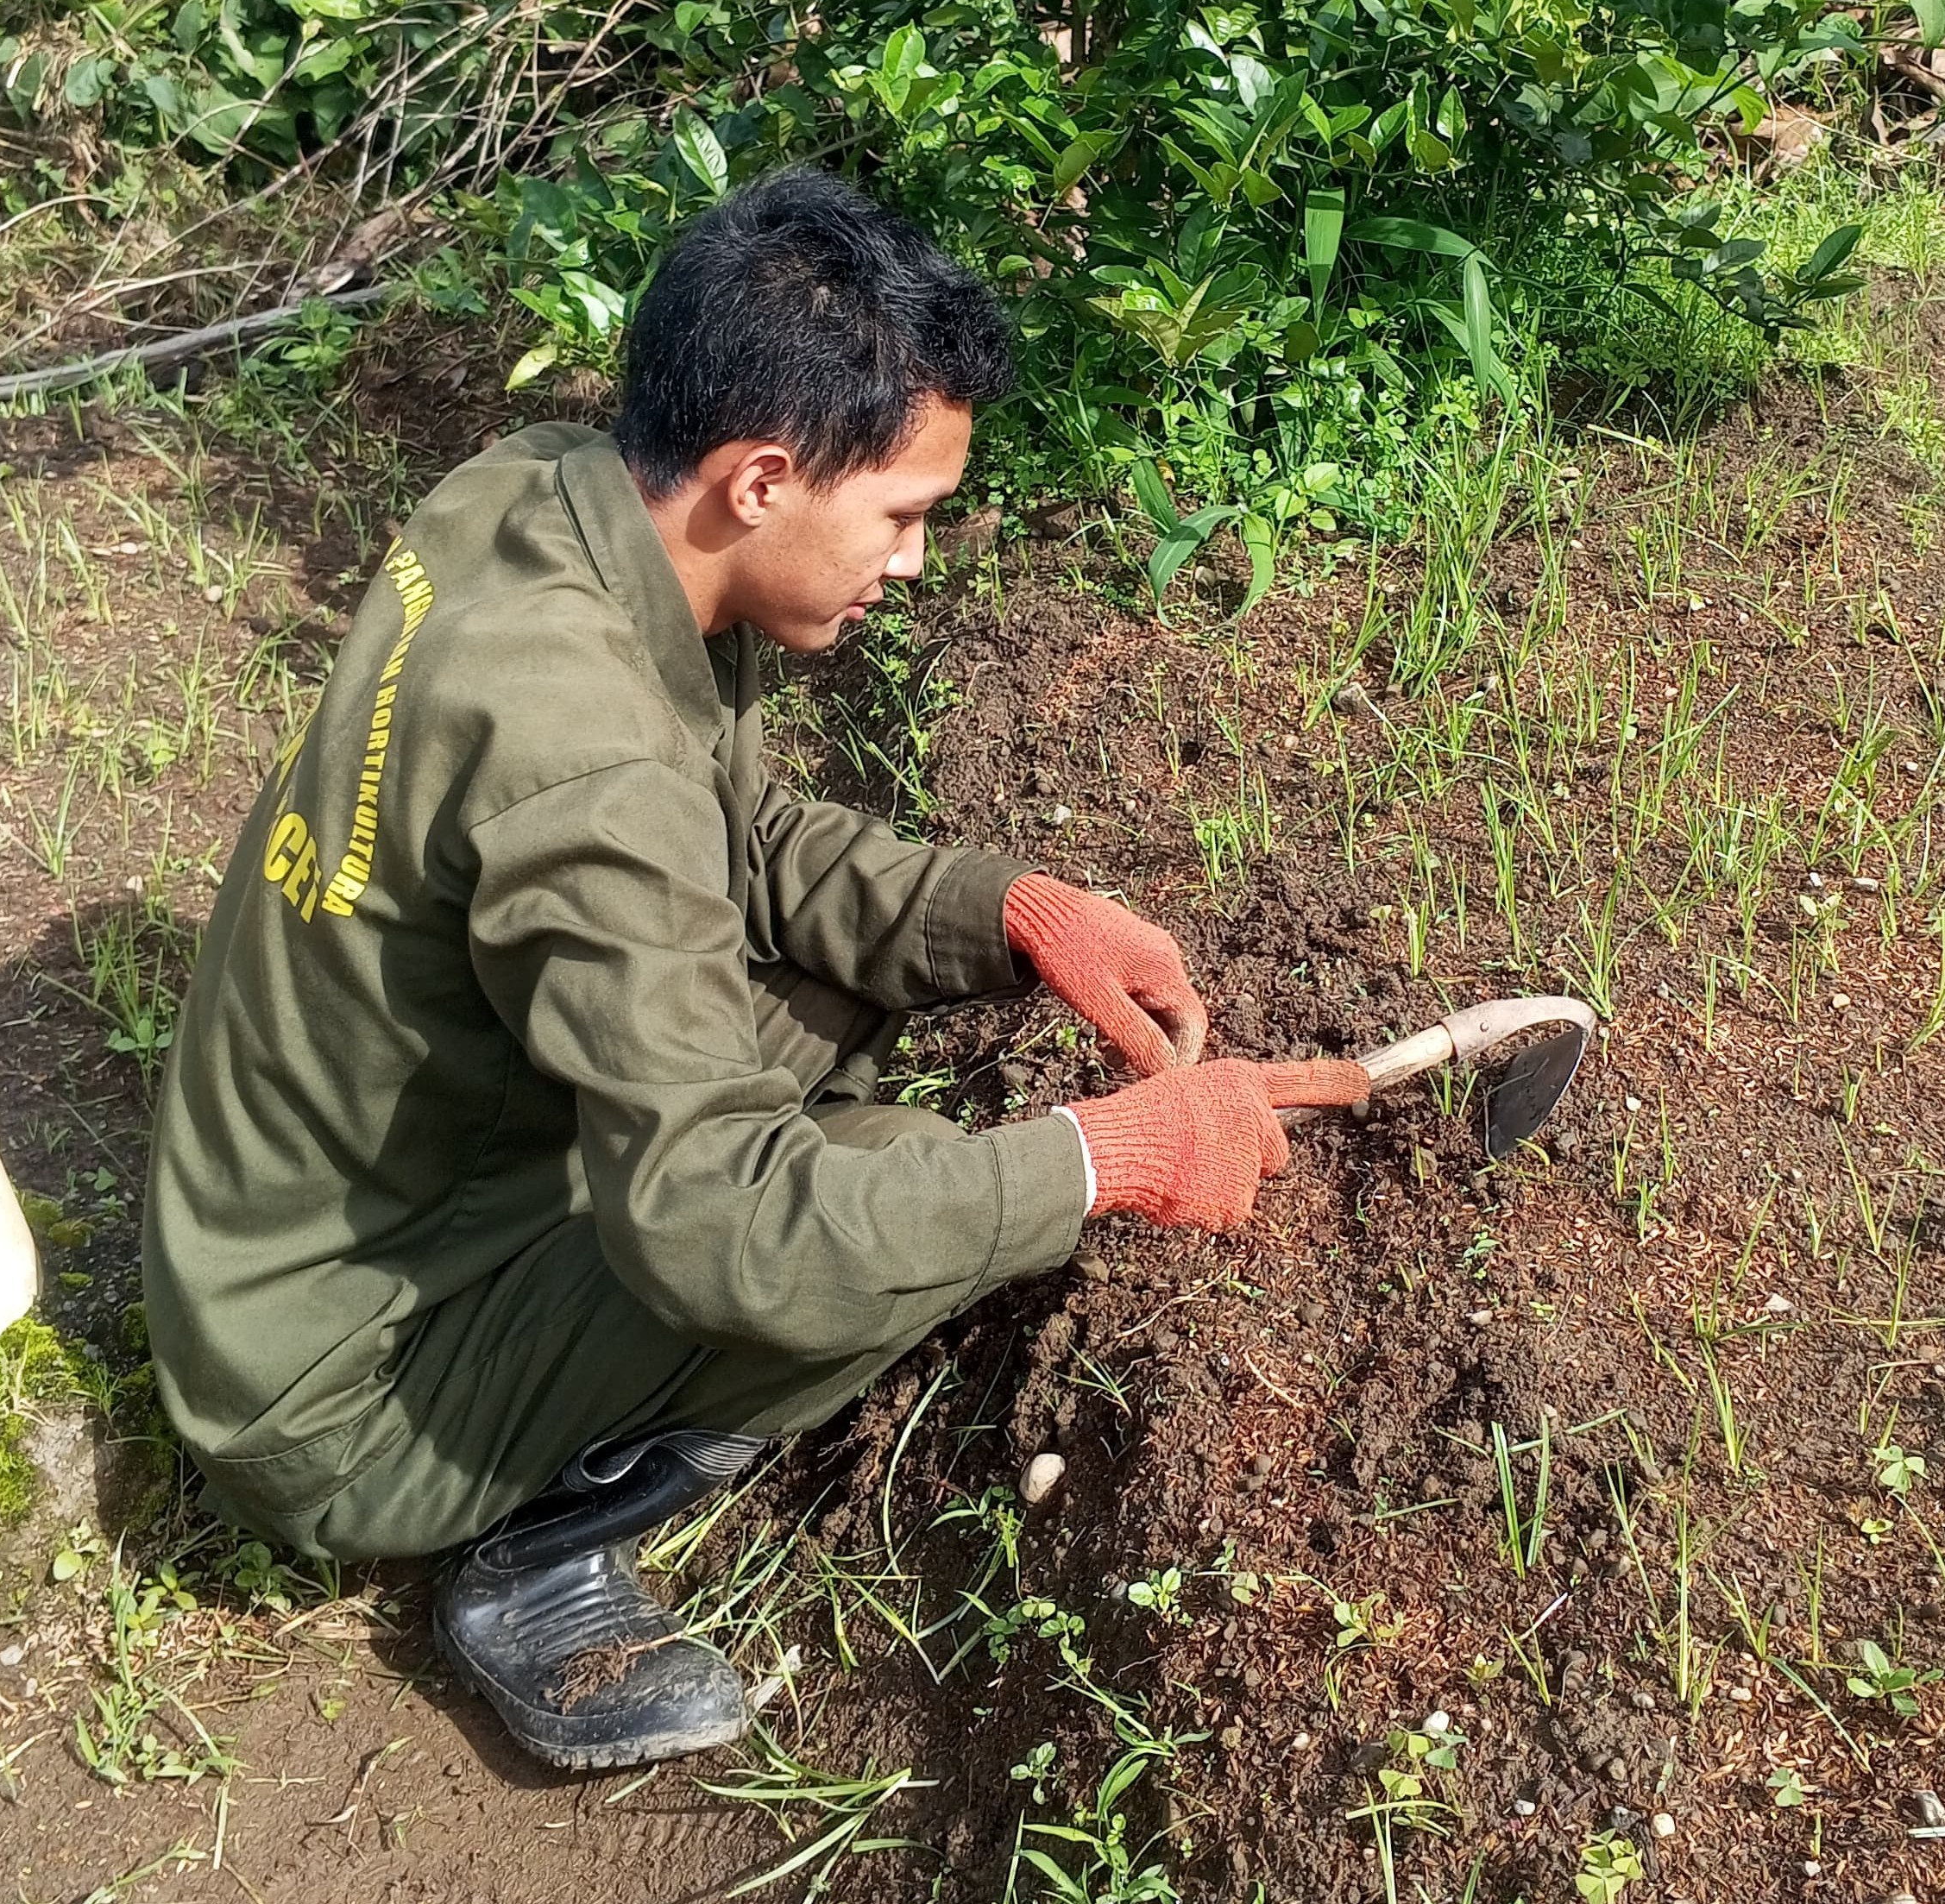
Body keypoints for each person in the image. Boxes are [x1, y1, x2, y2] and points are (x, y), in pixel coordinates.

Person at [140, 167, 1369, 1771]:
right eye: (905, 514)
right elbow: (729, 1232)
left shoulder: (551, 495)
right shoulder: (583, 758)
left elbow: (739, 838)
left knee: (852, 1005)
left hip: (309, 1220)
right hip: (333, 1387)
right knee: (889, 1203)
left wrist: (1012, 913)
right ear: (763, 480)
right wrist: (1096, 1161)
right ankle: (534, 1557)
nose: (915, 563)